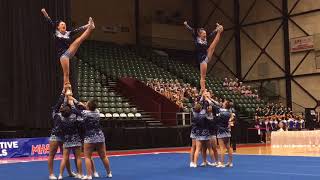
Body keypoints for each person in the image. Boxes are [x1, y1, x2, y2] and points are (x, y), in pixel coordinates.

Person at [41, 8, 95, 92]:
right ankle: (66, 90)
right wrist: (44, 12)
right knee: (66, 74)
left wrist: (87, 25)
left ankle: (90, 27)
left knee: (79, 40)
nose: (64, 25)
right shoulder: (56, 32)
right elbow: (49, 22)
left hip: (69, 52)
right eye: (62, 24)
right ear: (58, 27)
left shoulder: (68, 33)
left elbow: (78, 29)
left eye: (65, 24)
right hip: (63, 56)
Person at [70, 97, 112, 179]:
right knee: (103, 156)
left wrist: (71, 102)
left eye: (87, 103)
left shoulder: (85, 113)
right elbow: (88, 108)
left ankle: (89, 175)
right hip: (100, 136)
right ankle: (109, 173)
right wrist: (78, 102)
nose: (85, 104)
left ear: (88, 106)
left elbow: (74, 110)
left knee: (87, 157)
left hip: (90, 137)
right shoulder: (97, 112)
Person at [184, 21, 223, 91]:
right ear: (200, 34)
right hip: (202, 59)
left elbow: (211, 34)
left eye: (205, 33)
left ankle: (219, 31)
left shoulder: (206, 39)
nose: (205, 34)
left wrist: (216, 30)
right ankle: (203, 89)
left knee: (213, 46)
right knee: (203, 77)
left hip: (207, 55)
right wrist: (186, 25)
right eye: (204, 33)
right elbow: (192, 30)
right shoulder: (197, 39)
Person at [48, 88, 76, 180]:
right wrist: (63, 93)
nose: (61, 106)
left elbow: (65, 103)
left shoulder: (65, 113)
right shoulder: (55, 113)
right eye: (60, 106)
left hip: (64, 137)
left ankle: (70, 172)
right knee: (52, 155)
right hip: (55, 136)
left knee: (66, 156)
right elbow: (59, 103)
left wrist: (66, 94)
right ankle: (51, 174)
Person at [57, 92, 84, 179]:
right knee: (78, 158)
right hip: (76, 139)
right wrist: (72, 101)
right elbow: (79, 112)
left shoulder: (61, 117)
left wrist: (66, 97)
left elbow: (63, 108)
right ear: (70, 111)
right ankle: (80, 174)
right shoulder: (74, 116)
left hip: (67, 140)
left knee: (64, 158)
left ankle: (60, 175)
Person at [216, 100, 234, 168]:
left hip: (221, 131)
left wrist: (208, 98)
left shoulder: (221, 111)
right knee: (228, 147)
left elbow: (215, 105)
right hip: (227, 131)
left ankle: (222, 163)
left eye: (224, 102)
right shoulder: (229, 112)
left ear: (225, 105)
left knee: (222, 147)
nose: (223, 103)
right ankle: (230, 162)